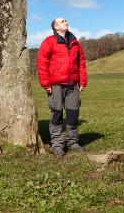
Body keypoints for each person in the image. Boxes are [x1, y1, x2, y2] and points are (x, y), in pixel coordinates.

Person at [36, 17, 87, 156]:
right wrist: (46, 83)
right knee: (57, 114)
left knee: (73, 114)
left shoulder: (75, 42)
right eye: (62, 21)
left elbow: (81, 63)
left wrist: (83, 80)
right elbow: (42, 63)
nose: (66, 22)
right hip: (55, 85)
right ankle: (57, 144)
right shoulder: (49, 42)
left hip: (73, 86)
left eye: (66, 21)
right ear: (55, 27)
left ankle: (73, 142)